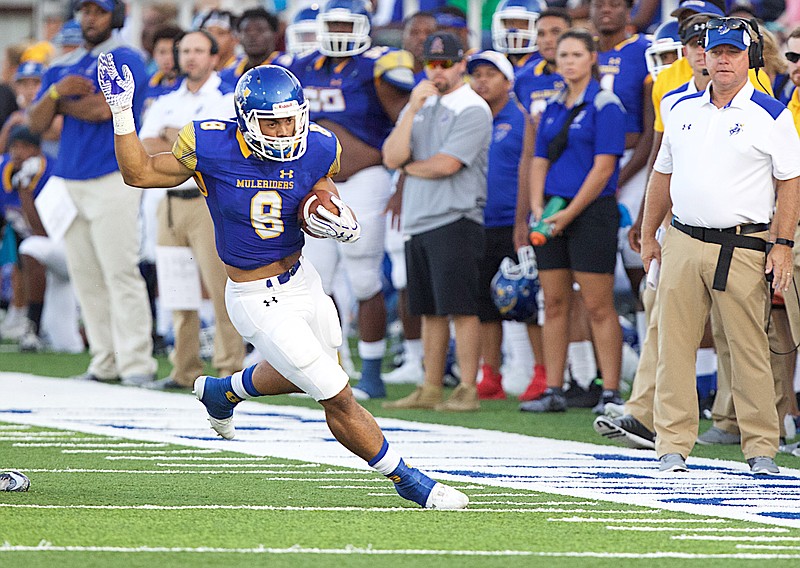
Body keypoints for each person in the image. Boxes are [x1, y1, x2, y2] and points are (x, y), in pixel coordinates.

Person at [97, 56, 467, 510]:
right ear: (246, 121)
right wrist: (121, 112)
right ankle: (409, 480)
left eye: (291, 120)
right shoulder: (210, 144)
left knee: (315, 371)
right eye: (271, 124)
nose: (283, 131)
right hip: (255, 296)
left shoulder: (318, 145)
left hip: (303, 280)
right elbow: (140, 173)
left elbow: (320, 191)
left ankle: (225, 391)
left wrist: (332, 214)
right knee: (336, 393)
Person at [640, 17, 800, 475]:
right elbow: (662, 173)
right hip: (684, 239)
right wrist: (651, 233)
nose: (723, 60)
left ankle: (761, 449)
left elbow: (790, 182)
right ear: (704, 57)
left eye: (732, 52)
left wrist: (782, 244)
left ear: (747, 58)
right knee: (674, 344)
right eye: (715, 52)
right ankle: (671, 444)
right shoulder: (678, 107)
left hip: (744, 243)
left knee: (748, 347)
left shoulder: (771, 114)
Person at [594, 14, 713, 449]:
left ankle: (750, 421)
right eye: (692, 44)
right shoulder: (674, 93)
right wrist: (651, 220)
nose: (700, 53)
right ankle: (645, 411)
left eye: (711, 45)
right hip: (680, 222)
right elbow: (662, 163)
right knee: (659, 310)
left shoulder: (754, 95)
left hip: (738, 224)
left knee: (746, 331)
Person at [289, 0, 416, 400]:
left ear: (363, 27)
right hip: (316, 182)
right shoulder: (302, 65)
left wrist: (398, 170)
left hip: (367, 178)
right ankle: (332, 366)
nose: (340, 34)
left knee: (363, 276)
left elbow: (406, 116)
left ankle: (373, 372)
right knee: (316, 278)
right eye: (334, 26)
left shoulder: (379, 65)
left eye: (348, 27)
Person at [26, 0, 156, 385]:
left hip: (114, 174)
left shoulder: (126, 57)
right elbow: (35, 122)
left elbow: (106, 109)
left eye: (98, 11)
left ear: (114, 16)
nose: (90, 18)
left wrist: (58, 99)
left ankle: (136, 364)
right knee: (86, 277)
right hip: (71, 179)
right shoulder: (62, 67)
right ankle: (104, 362)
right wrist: (55, 96)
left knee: (120, 272)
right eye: (85, 11)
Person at [382, 32, 492, 412]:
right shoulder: (422, 103)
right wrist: (411, 110)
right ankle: (429, 386)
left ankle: (467, 388)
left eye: (446, 63)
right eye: (432, 63)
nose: (438, 70)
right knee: (429, 309)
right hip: (420, 219)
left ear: (462, 64)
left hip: (456, 216)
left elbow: (447, 165)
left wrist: (410, 168)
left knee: (461, 307)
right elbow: (390, 156)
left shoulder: (473, 107)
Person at [520, 29, 626, 414]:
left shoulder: (606, 104)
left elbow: (603, 169)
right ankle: (554, 388)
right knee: (555, 302)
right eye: (563, 55)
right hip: (551, 212)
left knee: (598, 304)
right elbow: (538, 159)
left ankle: (611, 391)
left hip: (591, 212)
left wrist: (567, 213)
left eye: (576, 54)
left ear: (592, 58)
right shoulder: (553, 105)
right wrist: (537, 205)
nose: (568, 61)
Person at [139, 30, 244, 390]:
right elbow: (145, 144)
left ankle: (230, 368)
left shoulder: (228, 99)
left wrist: (172, 137)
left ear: (215, 57)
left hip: (206, 200)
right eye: (185, 51)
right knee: (176, 290)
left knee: (220, 289)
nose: (191, 57)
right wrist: (186, 138)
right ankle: (184, 369)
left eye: (199, 50)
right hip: (169, 203)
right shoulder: (166, 100)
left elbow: (217, 149)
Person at [511, 7, 571, 403]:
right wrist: (525, 212)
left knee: (593, 295)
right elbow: (529, 152)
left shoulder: (593, 83)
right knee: (554, 295)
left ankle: (593, 377)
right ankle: (558, 379)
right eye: (543, 32)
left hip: (586, 193)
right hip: (544, 195)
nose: (548, 40)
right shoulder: (526, 80)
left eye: (557, 33)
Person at [466, 50, 528, 400]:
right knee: (483, 302)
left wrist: (525, 216)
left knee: (522, 300)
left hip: (512, 220)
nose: (483, 81)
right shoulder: (470, 116)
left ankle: (534, 370)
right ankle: (490, 374)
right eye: (477, 74)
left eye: (491, 74)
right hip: (477, 218)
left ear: (508, 81)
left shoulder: (521, 118)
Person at [381, 11, 438, 386]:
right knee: (404, 271)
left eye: (427, 33)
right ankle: (414, 353)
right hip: (402, 176)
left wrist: (403, 183)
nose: (419, 38)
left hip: (431, 182)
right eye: (413, 32)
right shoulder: (397, 77)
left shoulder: (444, 80)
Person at [218, 8, 281, 89]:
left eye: (260, 30)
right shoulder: (227, 73)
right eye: (246, 31)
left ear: (274, 35)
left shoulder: (290, 67)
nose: (252, 36)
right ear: (238, 36)